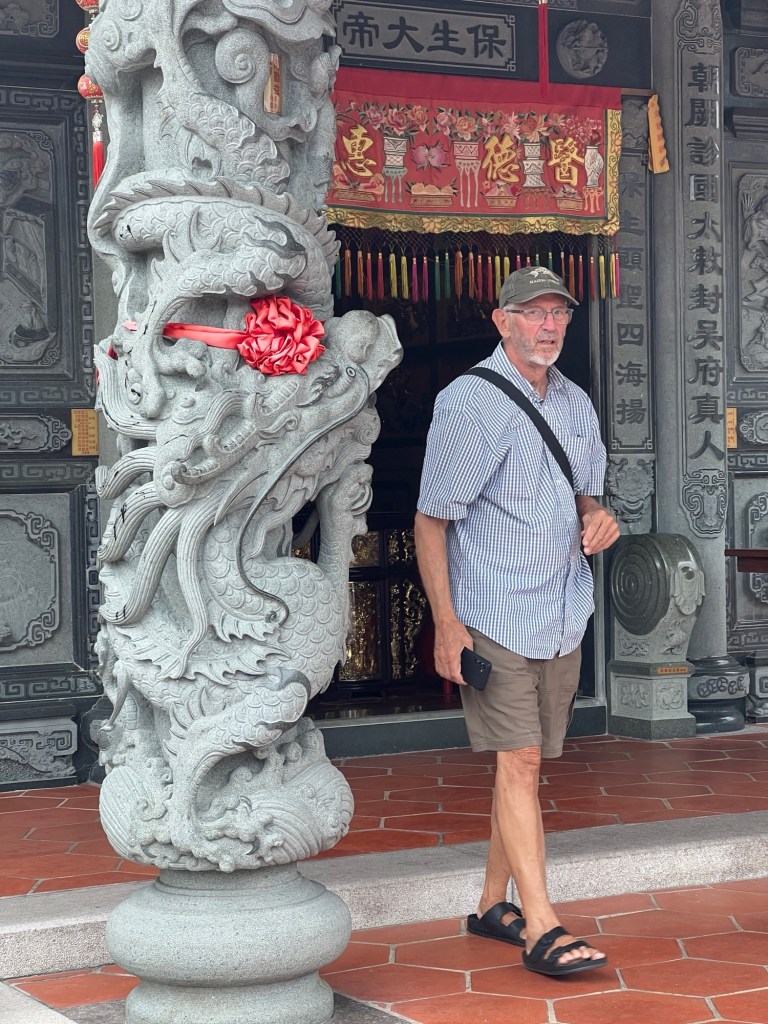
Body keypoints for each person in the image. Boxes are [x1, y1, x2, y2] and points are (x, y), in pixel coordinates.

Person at [414, 265, 619, 977]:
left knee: (523, 764)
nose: (549, 325)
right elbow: (431, 521)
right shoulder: (469, 402)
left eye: (558, 312)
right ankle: (542, 927)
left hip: (560, 610)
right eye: (533, 312)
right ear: (502, 321)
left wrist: (598, 518)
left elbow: (585, 496)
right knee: (521, 760)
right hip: (494, 613)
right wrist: (447, 624)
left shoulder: (575, 403)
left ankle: (490, 905)